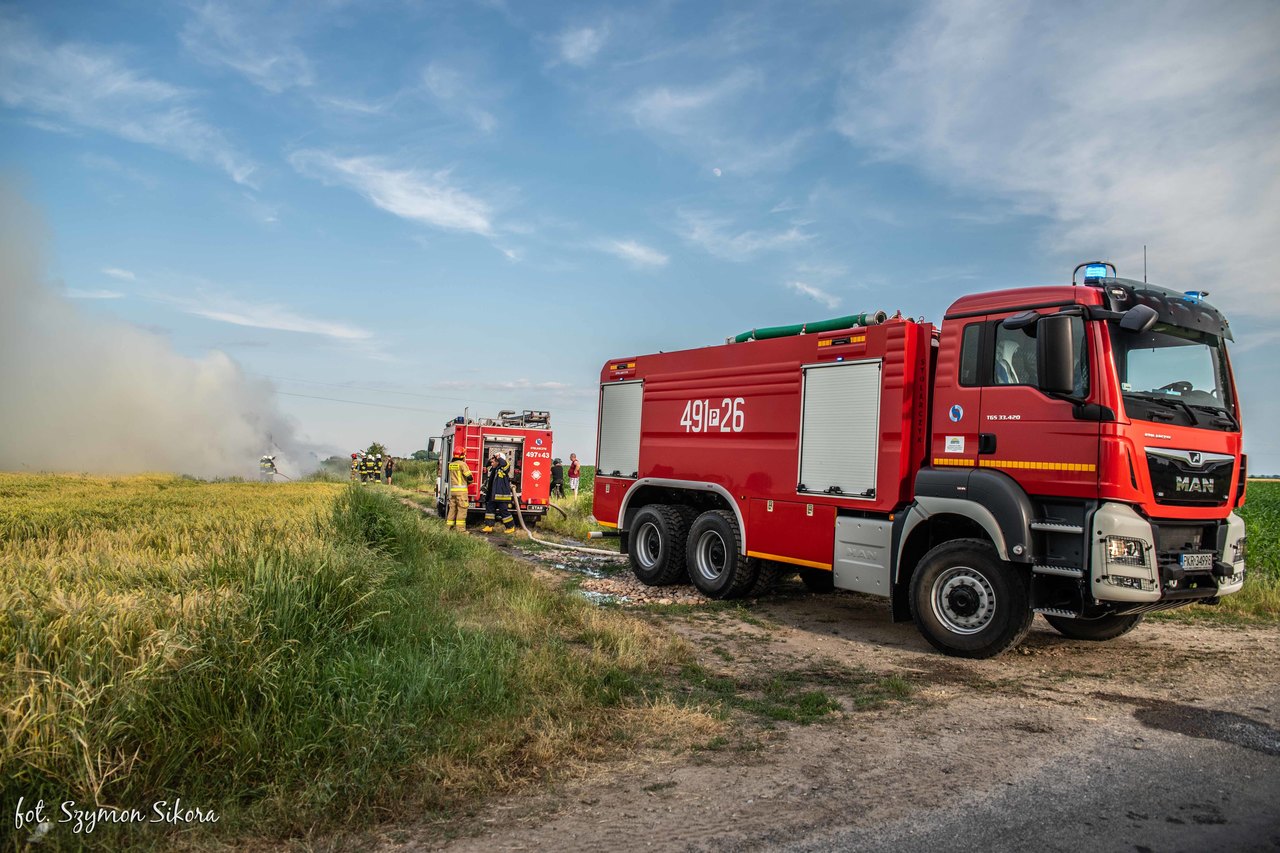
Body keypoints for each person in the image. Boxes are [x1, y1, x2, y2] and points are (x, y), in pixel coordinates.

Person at [482, 452, 516, 534]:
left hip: (501, 495)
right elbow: (488, 464)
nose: (492, 463)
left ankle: (510, 527)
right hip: (493, 495)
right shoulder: (495, 469)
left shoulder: (504, 468)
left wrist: (498, 457)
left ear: (499, 461)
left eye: (494, 462)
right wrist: (493, 458)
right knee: (489, 510)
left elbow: (504, 463)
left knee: (503, 511)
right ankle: (489, 526)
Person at [446, 448, 473, 532]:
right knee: (462, 509)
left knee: (452, 509)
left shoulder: (451, 464)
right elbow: (469, 477)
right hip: (461, 492)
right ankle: (460, 530)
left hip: (453, 491)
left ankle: (448, 528)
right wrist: (470, 481)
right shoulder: (462, 464)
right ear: (462, 455)